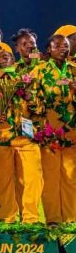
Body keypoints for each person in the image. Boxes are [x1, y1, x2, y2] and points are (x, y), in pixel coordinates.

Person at [0, 42, 43, 223]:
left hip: (26, 136)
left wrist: (30, 97)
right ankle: (7, 218)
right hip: (1, 137)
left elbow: (39, 108)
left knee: (32, 179)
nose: (4, 56)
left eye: (7, 54)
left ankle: (30, 217)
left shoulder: (25, 79)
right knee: (2, 182)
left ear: (14, 59)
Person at [33, 34, 76, 224]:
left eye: (65, 45)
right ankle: (53, 219)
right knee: (50, 178)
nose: (63, 48)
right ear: (49, 50)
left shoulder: (74, 69)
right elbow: (32, 99)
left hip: (72, 132)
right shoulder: (40, 70)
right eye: (57, 45)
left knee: (71, 177)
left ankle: (71, 218)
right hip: (49, 132)